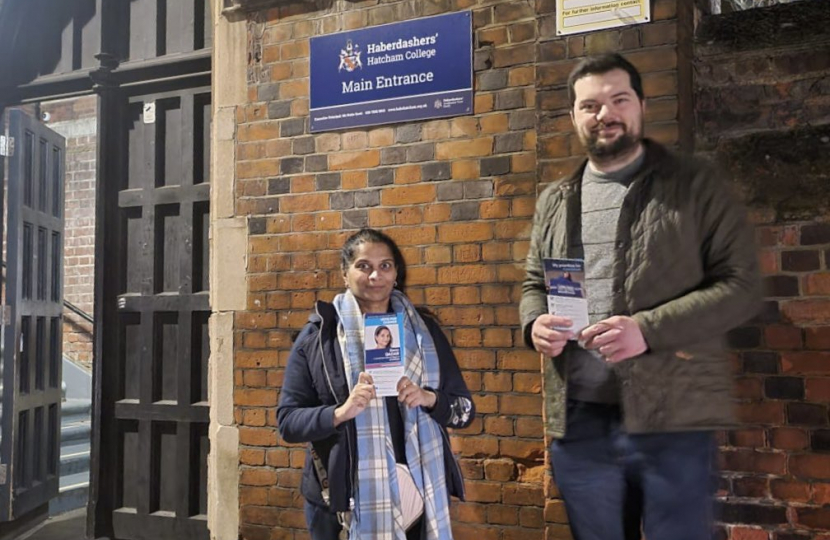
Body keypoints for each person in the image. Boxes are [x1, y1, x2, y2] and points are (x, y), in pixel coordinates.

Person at [520, 53, 761, 540]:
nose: (604, 113)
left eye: (618, 99)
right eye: (589, 105)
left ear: (641, 106)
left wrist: (646, 330)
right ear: (573, 116)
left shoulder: (694, 183)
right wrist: (534, 324)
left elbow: (742, 286)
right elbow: (533, 284)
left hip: (673, 413)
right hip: (580, 417)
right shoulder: (554, 199)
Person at [278, 228, 475, 540]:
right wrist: (339, 413)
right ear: (345, 273)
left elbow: (464, 411)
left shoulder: (424, 335)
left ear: (396, 273)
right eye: (363, 266)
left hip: (419, 493)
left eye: (385, 266)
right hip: (342, 503)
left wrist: (428, 398)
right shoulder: (318, 337)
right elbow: (287, 422)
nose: (375, 276)